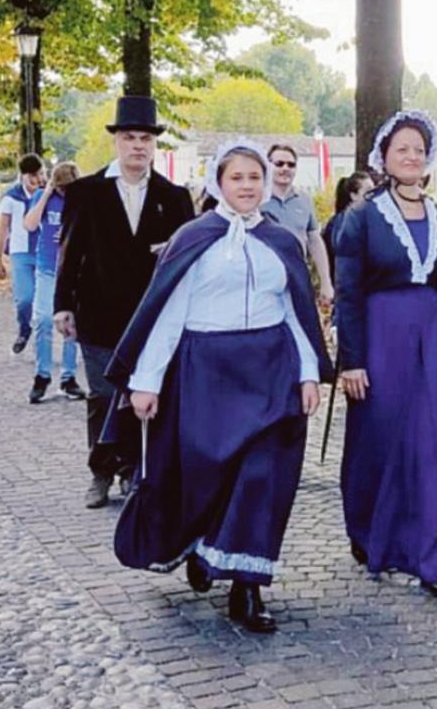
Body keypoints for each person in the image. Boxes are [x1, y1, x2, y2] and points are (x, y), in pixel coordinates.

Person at [103, 140, 332, 632]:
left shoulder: (282, 242)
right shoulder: (194, 237)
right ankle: (204, 547)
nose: (247, 186)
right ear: (218, 184)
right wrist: (146, 382)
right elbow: (168, 314)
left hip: (271, 370)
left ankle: (247, 588)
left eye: (255, 177)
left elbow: (296, 312)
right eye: (237, 178)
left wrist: (309, 373)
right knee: (209, 474)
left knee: (261, 476)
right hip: (206, 371)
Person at [335, 112, 437, 599]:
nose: (411, 156)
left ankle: (435, 556)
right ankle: (370, 529)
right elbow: (348, 294)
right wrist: (350, 359)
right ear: (384, 158)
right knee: (379, 438)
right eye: (402, 149)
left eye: (419, 149)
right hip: (381, 338)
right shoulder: (362, 219)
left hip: (434, 337)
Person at [55, 96, 195, 509]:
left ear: (155, 145)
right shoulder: (86, 192)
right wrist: (63, 304)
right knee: (101, 395)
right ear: (117, 141)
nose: (138, 146)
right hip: (98, 312)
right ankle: (100, 470)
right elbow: (70, 251)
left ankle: (134, 470)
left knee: (144, 392)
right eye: (130, 137)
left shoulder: (174, 198)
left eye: (146, 139)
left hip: (152, 318)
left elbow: (186, 260)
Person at [23, 161, 85, 404]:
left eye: (66, 188)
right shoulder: (44, 196)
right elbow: (29, 225)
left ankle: (68, 377)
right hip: (47, 267)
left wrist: (72, 234)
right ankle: (42, 375)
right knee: (43, 320)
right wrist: (46, 192)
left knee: (71, 324)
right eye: (60, 188)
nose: (63, 193)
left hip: (73, 269)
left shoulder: (83, 199)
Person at [261, 143, 335, 305]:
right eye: (279, 164)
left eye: (291, 164)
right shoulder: (257, 201)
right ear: (268, 166)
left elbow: (314, 240)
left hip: (298, 277)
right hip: (264, 279)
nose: (285, 168)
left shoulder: (304, 200)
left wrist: (326, 282)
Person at [0, 155, 46, 354]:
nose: (38, 179)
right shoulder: (11, 197)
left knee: (46, 302)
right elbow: (3, 228)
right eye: (33, 176)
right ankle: (24, 329)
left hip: (46, 253)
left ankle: (43, 342)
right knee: (25, 298)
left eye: (41, 174)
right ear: (23, 176)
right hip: (21, 252)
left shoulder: (48, 192)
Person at [320, 170, 374, 286]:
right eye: (368, 191)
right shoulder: (343, 223)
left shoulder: (367, 219)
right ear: (353, 195)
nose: (373, 195)